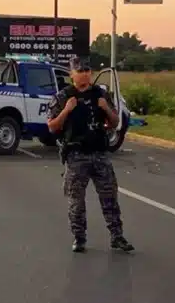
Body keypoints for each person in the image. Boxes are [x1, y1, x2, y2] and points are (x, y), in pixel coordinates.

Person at [47, 56, 134, 253]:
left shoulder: (100, 95)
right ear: (72, 74)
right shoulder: (63, 97)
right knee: (76, 202)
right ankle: (79, 238)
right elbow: (52, 127)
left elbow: (114, 124)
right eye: (79, 71)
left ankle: (117, 236)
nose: (84, 73)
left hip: (99, 153)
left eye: (87, 70)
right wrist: (67, 111)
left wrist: (105, 108)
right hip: (76, 155)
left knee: (109, 197)